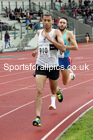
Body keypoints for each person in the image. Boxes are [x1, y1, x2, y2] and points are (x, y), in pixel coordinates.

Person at [32, 13, 66, 127]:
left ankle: (58, 90)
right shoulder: (39, 32)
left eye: (48, 20)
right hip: (40, 65)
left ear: (52, 22)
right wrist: (36, 50)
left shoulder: (55, 32)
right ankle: (38, 118)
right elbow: (42, 45)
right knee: (39, 91)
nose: (46, 22)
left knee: (53, 89)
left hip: (53, 66)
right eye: (44, 20)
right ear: (42, 21)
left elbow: (63, 48)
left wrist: (50, 39)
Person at [49, 17, 78, 110]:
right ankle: (53, 103)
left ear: (66, 25)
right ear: (57, 24)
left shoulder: (69, 34)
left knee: (65, 82)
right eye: (60, 22)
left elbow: (76, 47)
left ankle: (71, 75)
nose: (61, 24)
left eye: (63, 23)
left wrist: (63, 46)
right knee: (52, 80)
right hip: (54, 59)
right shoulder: (53, 33)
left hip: (64, 59)